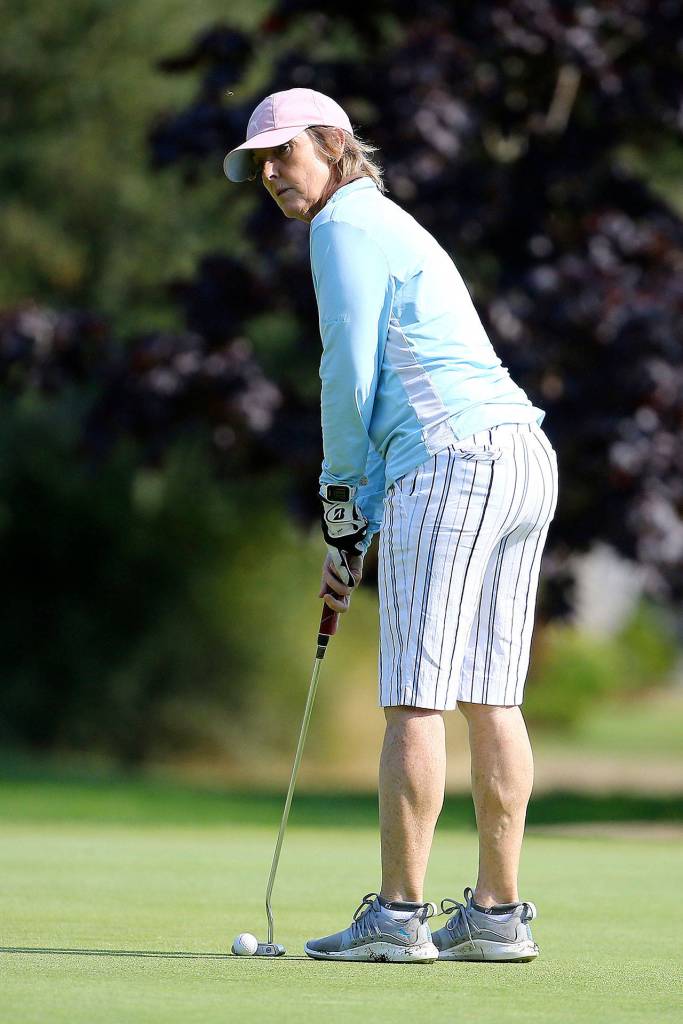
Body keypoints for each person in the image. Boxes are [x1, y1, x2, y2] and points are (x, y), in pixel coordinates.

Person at [224, 88, 558, 964]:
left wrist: (341, 503)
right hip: (521, 455)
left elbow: (350, 371)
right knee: (492, 692)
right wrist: (361, 518)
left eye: (282, 153)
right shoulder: (386, 220)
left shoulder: (339, 228)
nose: (268, 173)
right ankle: (493, 916)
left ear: (332, 146)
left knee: (416, 692)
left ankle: (399, 917)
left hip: (450, 458)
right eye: (257, 162)